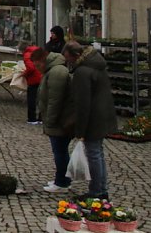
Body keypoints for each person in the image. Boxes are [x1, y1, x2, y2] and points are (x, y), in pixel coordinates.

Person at [63, 40, 117, 200]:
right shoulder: (96, 65)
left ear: (75, 55)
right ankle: (101, 189)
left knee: (94, 155)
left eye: (68, 58)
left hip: (94, 118)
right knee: (97, 154)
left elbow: (83, 104)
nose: (67, 61)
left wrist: (80, 131)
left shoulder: (83, 72)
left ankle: (96, 192)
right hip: (103, 114)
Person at [32, 47, 76, 193]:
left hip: (61, 120)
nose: (37, 69)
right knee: (60, 150)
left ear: (42, 61)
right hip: (60, 119)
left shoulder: (57, 72)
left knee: (60, 151)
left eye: (37, 65)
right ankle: (62, 179)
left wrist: (50, 121)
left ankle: (62, 183)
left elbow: (55, 100)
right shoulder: (53, 70)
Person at [20, 40, 43, 124]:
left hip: (34, 79)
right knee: (41, 99)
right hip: (41, 76)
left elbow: (31, 68)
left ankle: (32, 119)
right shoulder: (37, 51)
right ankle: (41, 118)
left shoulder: (27, 55)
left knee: (31, 99)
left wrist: (24, 74)